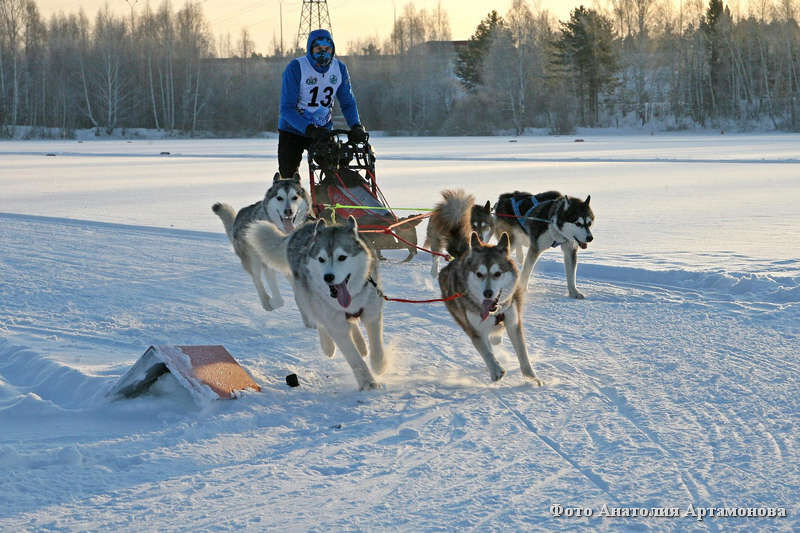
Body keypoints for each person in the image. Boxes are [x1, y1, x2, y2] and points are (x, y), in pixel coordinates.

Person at [277, 28, 367, 181]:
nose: (323, 53)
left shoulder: (339, 69)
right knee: (288, 177)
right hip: (292, 130)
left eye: (327, 49)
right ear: (310, 49)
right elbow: (286, 109)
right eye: (318, 49)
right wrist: (309, 129)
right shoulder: (296, 68)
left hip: (322, 130)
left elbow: (347, 102)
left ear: (332, 49)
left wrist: (356, 126)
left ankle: (327, 200)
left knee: (336, 171)